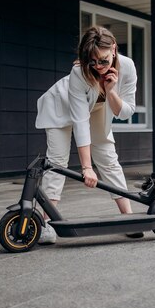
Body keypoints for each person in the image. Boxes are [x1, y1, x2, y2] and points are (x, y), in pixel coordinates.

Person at [35, 26, 141, 244]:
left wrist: (111, 91)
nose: (98, 67)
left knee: (108, 157)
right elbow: (80, 121)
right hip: (60, 108)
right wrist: (86, 168)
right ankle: (47, 224)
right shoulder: (79, 72)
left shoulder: (127, 66)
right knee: (57, 162)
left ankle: (128, 218)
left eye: (103, 60)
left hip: (98, 107)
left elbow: (125, 112)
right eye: (92, 62)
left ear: (113, 48)